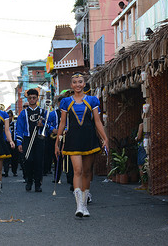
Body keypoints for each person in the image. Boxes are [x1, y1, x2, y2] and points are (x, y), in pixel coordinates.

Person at [55, 73, 108, 218]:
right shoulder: (66, 102)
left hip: (89, 138)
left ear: (84, 84)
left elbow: (97, 121)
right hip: (73, 139)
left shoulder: (92, 100)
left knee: (86, 172)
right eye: (74, 82)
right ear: (71, 85)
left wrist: (105, 138)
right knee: (77, 170)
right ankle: (78, 206)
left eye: (80, 82)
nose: (77, 84)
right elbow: (62, 123)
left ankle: (84, 204)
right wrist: (57, 142)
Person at [16, 89, 54, 192]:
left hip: (39, 139)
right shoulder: (23, 113)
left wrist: (44, 126)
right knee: (28, 160)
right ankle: (29, 180)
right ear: (27, 99)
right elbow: (19, 128)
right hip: (27, 139)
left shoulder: (43, 112)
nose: (32, 100)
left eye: (34, 98)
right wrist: (19, 142)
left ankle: (38, 183)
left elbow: (49, 125)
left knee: (38, 161)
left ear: (37, 98)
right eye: (30, 98)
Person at [3, 110, 19, 177]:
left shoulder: (15, 124)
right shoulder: (3, 124)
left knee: (15, 157)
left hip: (14, 141)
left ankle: (14, 171)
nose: (9, 118)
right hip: (6, 142)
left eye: (10, 116)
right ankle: (6, 171)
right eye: (8, 117)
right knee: (6, 157)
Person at [135, 122, 148, 190]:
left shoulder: (142, 125)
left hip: (143, 146)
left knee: (141, 165)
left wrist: (136, 138)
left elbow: (139, 137)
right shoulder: (153, 123)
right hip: (149, 146)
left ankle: (144, 184)